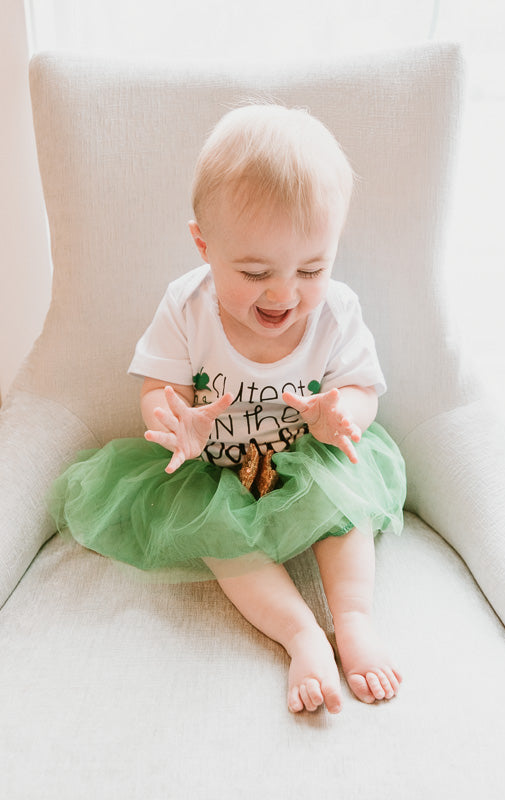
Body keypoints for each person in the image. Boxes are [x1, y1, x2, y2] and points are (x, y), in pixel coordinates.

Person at [48, 104, 406, 714]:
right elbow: (160, 388)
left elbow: (361, 389)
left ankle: (353, 621)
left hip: (308, 456)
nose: (284, 293)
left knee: (346, 511)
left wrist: (340, 415)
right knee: (223, 542)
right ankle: (299, 635)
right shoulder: (186, 307)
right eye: (255, 271)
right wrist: (174, 420)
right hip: (220, 471)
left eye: (312, 268)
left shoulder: (337, 311)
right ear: (204, 245)